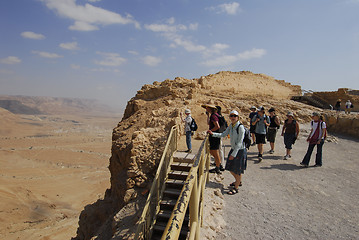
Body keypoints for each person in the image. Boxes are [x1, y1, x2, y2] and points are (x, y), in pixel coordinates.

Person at [208, 110, 247, 195]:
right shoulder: (231, 126)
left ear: (238, 117)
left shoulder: (240, 127)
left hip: (239, 150)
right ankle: (238, 181)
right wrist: (213, 134)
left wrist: (233, 154)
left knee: (236, 170)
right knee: (230, 168)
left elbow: (240, 142)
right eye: (231, 116)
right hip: (234, 149)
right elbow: (223, 134)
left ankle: (236, 188)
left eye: (234, 116)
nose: (233, 117)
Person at [201, 104, 224, 174]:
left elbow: (217, 126)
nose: (206, 109)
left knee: (215, 152)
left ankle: (218, 167)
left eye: (207, 108)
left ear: (210, 109)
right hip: (215, 136)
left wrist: (211, 131)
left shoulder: (214, 116)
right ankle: (218, 165)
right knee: (212, 151)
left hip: (214, 136)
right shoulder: (214, 115)